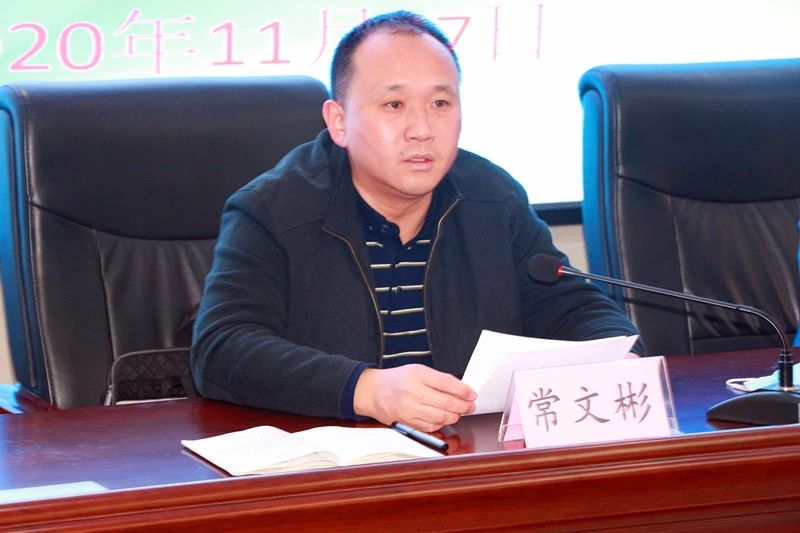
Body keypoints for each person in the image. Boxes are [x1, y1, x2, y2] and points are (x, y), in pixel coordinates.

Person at [191, 10, 641, 432]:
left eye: (440, 103)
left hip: (465, 452)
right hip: (328, 458)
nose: (422, 129)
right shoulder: (273, 209)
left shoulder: (492, 197)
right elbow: (222, 349)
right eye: (394, 105)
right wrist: (366, 389)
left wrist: (619, 359)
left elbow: (572, 307)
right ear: (339, 122)